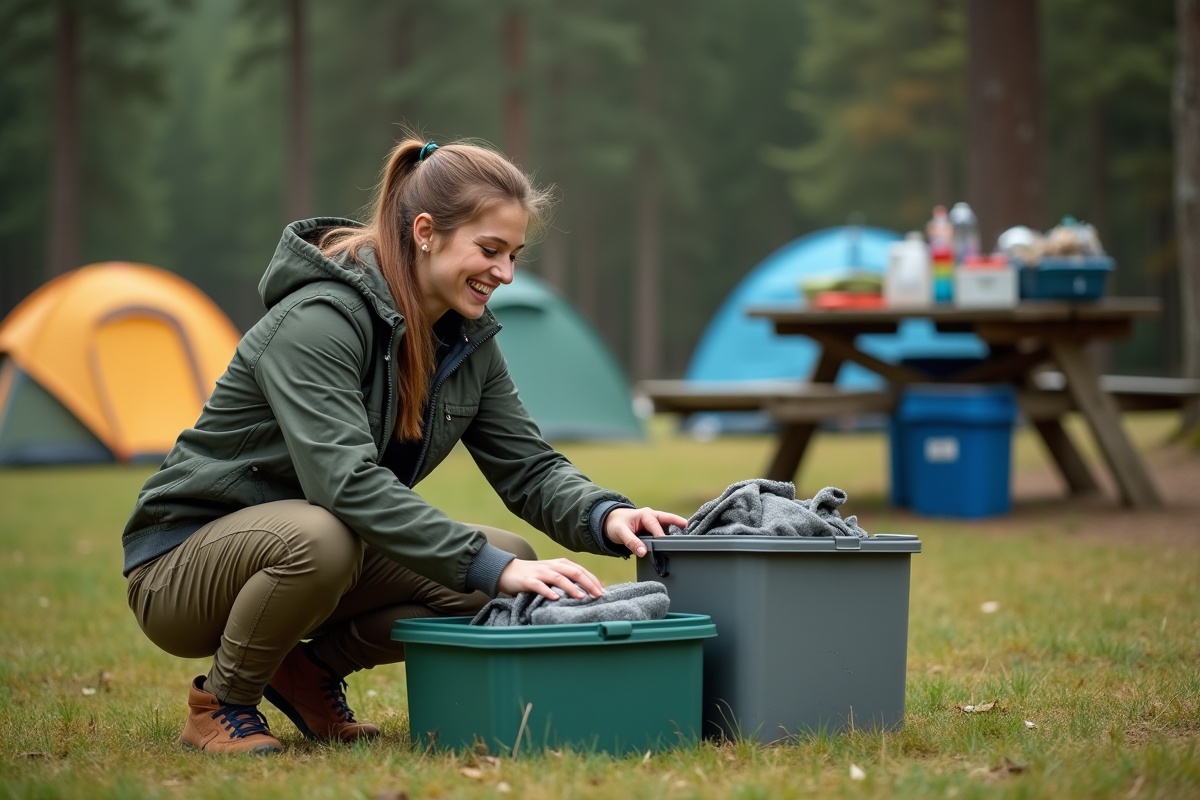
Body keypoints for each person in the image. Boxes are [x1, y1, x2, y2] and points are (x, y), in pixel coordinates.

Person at [121, 137, 687, 755]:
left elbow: (529, 467)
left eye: (515, 254)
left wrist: (608, 515)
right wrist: (487, 563)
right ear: (426, 232)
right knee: (334, 540)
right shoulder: (318, 320)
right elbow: (345, 485)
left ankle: (308, 673)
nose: (506, 273)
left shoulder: (467, 342)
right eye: (490, 250)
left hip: (322, 547)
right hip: (181, 569)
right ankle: (221, 704)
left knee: (506, 565)